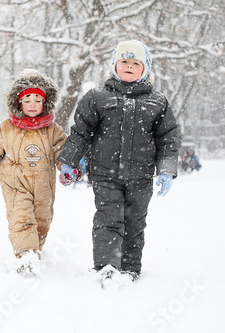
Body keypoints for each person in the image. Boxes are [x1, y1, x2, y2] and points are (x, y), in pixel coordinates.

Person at [58, 40, 179, 287]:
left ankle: (130, 268)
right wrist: (70, 161)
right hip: (105, 174)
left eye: (136, 63)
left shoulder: (157, 102)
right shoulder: (97, 97)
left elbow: (168, 137)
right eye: (124, 61)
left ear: (145, 69)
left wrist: (165, 170)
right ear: (114, 65)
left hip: (141, 176)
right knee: (108, 218)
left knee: (135, 221)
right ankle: (107, 267)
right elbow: (81, 131)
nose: (130, 66)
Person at [0, 69, 81, 277]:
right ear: (18, 103)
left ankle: (35, 250)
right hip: (16, 186)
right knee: (21, 218)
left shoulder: (53, 130)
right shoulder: (5, 129)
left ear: (45, 103)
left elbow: (64, 153)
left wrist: (68, 169)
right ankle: (26, 256)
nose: (33, 104)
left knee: (42, 221)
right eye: (27, 99)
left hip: (44, 187)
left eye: (38, 99)